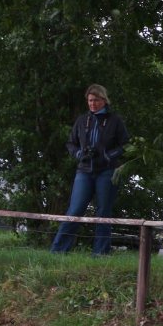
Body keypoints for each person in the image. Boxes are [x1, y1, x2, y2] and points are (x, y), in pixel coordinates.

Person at [50, 84, 130, 255]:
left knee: (103, 212)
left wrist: (108, 155)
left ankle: (100, 253)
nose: (93, 104)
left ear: (104, 100)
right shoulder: (82, 120)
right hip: (84, 170)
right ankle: (58, 251)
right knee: (75, 209)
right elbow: (70, 143)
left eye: (96, 100)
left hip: (107, 170)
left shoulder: (115, 120)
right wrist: (79, 154)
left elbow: (126, 144)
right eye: (90, 100)